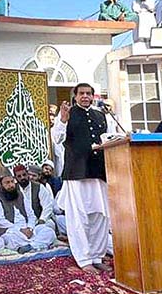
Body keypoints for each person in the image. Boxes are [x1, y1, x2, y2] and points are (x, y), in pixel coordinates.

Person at [53, 83, 111, 273]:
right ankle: (84, 258)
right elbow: (56, 139)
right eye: (82, 93)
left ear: (93, 97)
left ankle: (97, 255)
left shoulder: (100, 115)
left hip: (99, 171)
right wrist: (62, 120)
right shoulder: (68, 114)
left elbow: (109, 139)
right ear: (75, 96)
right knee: (79, 217)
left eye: (88, 93)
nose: (85, 96)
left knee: (99, 216)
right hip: (77, 172)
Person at [0, 172, 56, 253]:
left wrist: (30, 228)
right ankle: (38, 245)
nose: (11, 185)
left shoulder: (19, 194)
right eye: (7, 183)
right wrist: (20, 230)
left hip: (27, 228)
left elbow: (31, 214)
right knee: (9, 239)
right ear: (0, 184)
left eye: (12, 181)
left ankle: (30, 247)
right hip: (10, 230)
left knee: (48, 231)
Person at [14, 165, 55, 229]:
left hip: (39, 221)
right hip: (21, 223)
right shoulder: (13, 189)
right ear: (15, 178)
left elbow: (47, 206)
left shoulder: (39, 187)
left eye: (24, 175)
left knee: (48, 227)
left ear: (27, 174)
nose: (22, 178)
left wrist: (42, 220)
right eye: (19, 176)